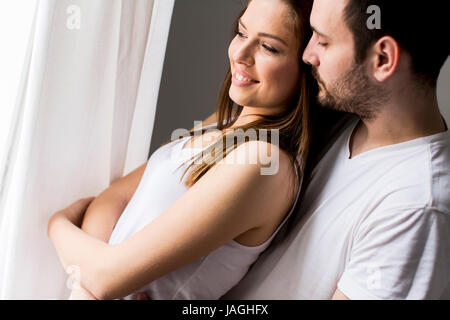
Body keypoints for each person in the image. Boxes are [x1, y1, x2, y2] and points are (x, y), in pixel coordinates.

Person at [47, 0, 317, 300]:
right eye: (241, 33)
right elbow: (114, 198)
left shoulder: (264, 163)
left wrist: (57, 225)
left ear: (306, 66)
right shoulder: (225, 123)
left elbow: (106, 279)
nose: (240, 54)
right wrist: (86, 282)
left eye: (268, 47)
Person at [222, 0, 450, 300]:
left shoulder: (416, 206)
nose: (307, 55)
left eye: (323, 41)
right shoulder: (335, 113)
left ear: (382, 58)